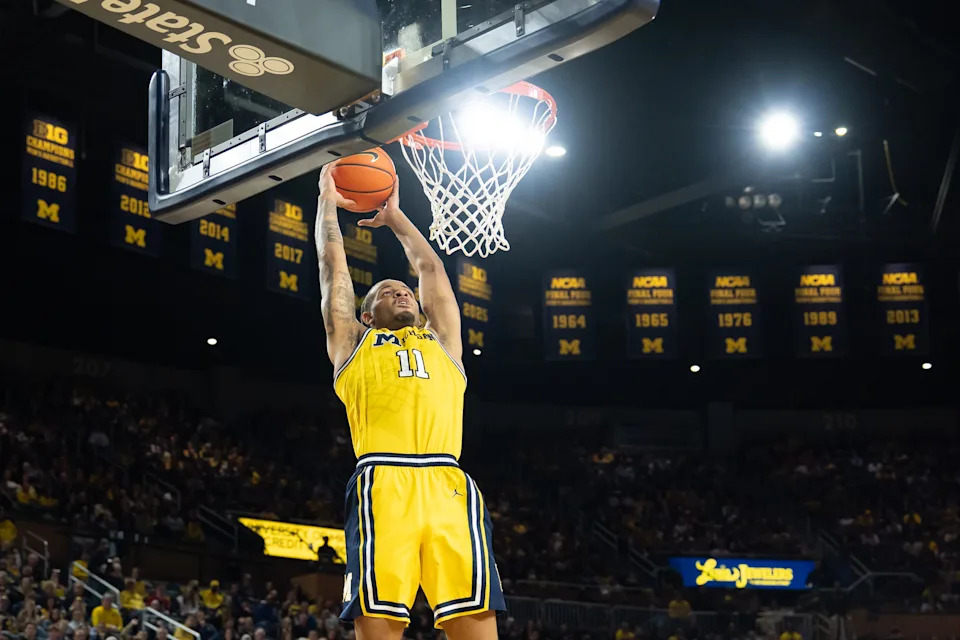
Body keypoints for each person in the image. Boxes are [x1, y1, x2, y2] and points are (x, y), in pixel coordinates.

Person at [315, 165, 505, 640]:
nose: (401, 291)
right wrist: (327, 205)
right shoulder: (352, 344)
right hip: (384, 481)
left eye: (405, 291)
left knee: (476, 625)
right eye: (385, 291)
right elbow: (332, 267)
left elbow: (430, 270)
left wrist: (397, 219)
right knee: (378, 626)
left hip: (448, 484)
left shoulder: (442, 343)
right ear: (365, 312)